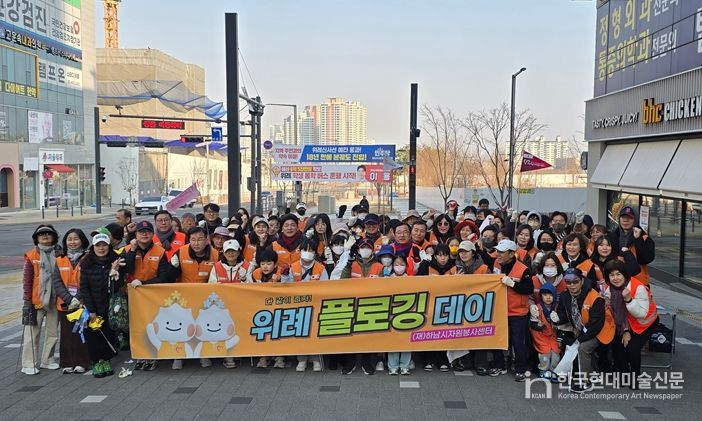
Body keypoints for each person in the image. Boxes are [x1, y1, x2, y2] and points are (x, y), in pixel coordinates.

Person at [551, 268, 615, 393]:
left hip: (602, 330)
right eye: (568, 282)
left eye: (575, 281)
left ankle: (585, 382)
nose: (572, 285)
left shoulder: (595, 297)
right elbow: (564, 315)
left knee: (583, 347)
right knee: (572, 344)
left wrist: (580, 339)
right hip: (582, 329)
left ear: (582, 281)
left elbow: (595, 324)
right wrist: (556, 319)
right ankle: (592, 373)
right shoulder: (565, 296)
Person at [168, 226, 219, 370]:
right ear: (189, 240)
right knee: (181, 327)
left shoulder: (215, 254)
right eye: (193, 240)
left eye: (200, 239)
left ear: (207, 240)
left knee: (203, 327)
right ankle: (179, 356)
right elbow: (169, 277)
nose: (196, 243)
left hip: (206, 297)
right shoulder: (180, 252)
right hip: (183, 297)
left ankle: (204, 354)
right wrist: (173, 267)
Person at [122, 221, 170, 370]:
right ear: (136, 235)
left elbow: (164, 277)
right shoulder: (127, 249)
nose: (144, 234)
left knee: (152, 326)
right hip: (132, 295)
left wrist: (144, 283)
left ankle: (151, 355)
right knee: (136, 327)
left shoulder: (160, 251)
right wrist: (132, 251)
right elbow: (126, 270)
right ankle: (140, 354)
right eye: (141, 232)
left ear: (152, 234)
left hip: (151, 295)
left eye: (148, 231)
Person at [604, 259, 658, 387]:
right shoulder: (608, 289)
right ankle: (622, 375)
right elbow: (613, 313)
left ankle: (635, 377)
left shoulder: (638, 287)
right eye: (612, 275)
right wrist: (626, 330)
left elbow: (641, 314)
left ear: (625, 274)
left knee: (633, 348)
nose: (615, 278)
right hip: (625, 324)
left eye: (618, 274)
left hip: (644, 323)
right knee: (618, 345)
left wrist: (628, 300)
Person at [80, 233, 123, 378]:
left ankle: (106, 360)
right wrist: (91, 309)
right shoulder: (86, 263)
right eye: (98, 245)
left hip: (110, 307)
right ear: (93, 247)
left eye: (104, 245)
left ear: (109, 246)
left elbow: (117, 287)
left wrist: (115, 271)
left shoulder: (115, 261)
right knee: (94, 336)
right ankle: (96, 362)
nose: (101, 248)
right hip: (93, 307)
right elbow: (84, 288)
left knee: (108, 334)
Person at [21, 225, 62, 375]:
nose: (45, 236)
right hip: (36, 300)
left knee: (52, 332)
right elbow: (27, 280)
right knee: (32, 334)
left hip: (54, 299)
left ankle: (48, 360)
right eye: (41, 234)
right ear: (36, 238)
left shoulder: (60, 254)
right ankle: (28, 363)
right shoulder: (31, 255)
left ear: (54, 237)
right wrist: (27, 300)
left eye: (48, 233)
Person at [493, 239, 533, 382]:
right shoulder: (496, 264)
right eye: (497, 251)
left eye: (502, 252)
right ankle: (500, 365)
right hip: (499, 310)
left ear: (511, 254)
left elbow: (528, 289)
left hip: (517, 312)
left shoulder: (523, 269)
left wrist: (513, 284)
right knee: (498, 339)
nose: (498, 254)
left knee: (518, 341)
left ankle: (520, 369)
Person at [284, 238, 326, 372]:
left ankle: (316, 359)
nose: (308, 252)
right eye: (305, 250)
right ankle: (301, 359)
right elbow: (286, 287)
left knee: (314, 333)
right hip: (298, 305)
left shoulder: (320, 268)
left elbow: (327, 287)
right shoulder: (293, 267)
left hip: (315, 305)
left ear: (315, 253)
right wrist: (285, 276)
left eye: (311, 250)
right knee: (300, 333)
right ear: (300, 251)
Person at [53, 228, 91, 374]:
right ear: (65, 242)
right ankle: (67, 362)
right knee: (66, 334)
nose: (72, 242)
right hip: (65, 303)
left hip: (82, 303)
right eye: (69, 239)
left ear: (82, 241)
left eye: (76, 239)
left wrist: (78, 298)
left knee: (81, 333)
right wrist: (69, 299)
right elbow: (57, 282)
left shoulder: (88, 258)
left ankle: (82, 362)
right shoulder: (59, 259)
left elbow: (87, 280)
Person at [607, 206, 655, 286]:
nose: (625, 220)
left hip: (638, 284)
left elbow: (645, 259)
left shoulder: (644, 238)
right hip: (616, 282)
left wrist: (638, 239)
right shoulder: (611, 237)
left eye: (630, 218)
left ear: (635, 220)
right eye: (623, 217)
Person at [528, 284, 561, 382]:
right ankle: (543, 370)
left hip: (553, 336)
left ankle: (554, 370)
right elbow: (532, 324)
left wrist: (557, 321)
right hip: (541, 335)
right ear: (541, 296)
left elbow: (561, 324)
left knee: (556, 353)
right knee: (545, 354)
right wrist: (539, 326)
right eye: (545, 295)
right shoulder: (537, 308)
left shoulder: (557, 307)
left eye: (550, 295)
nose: (548, 297)